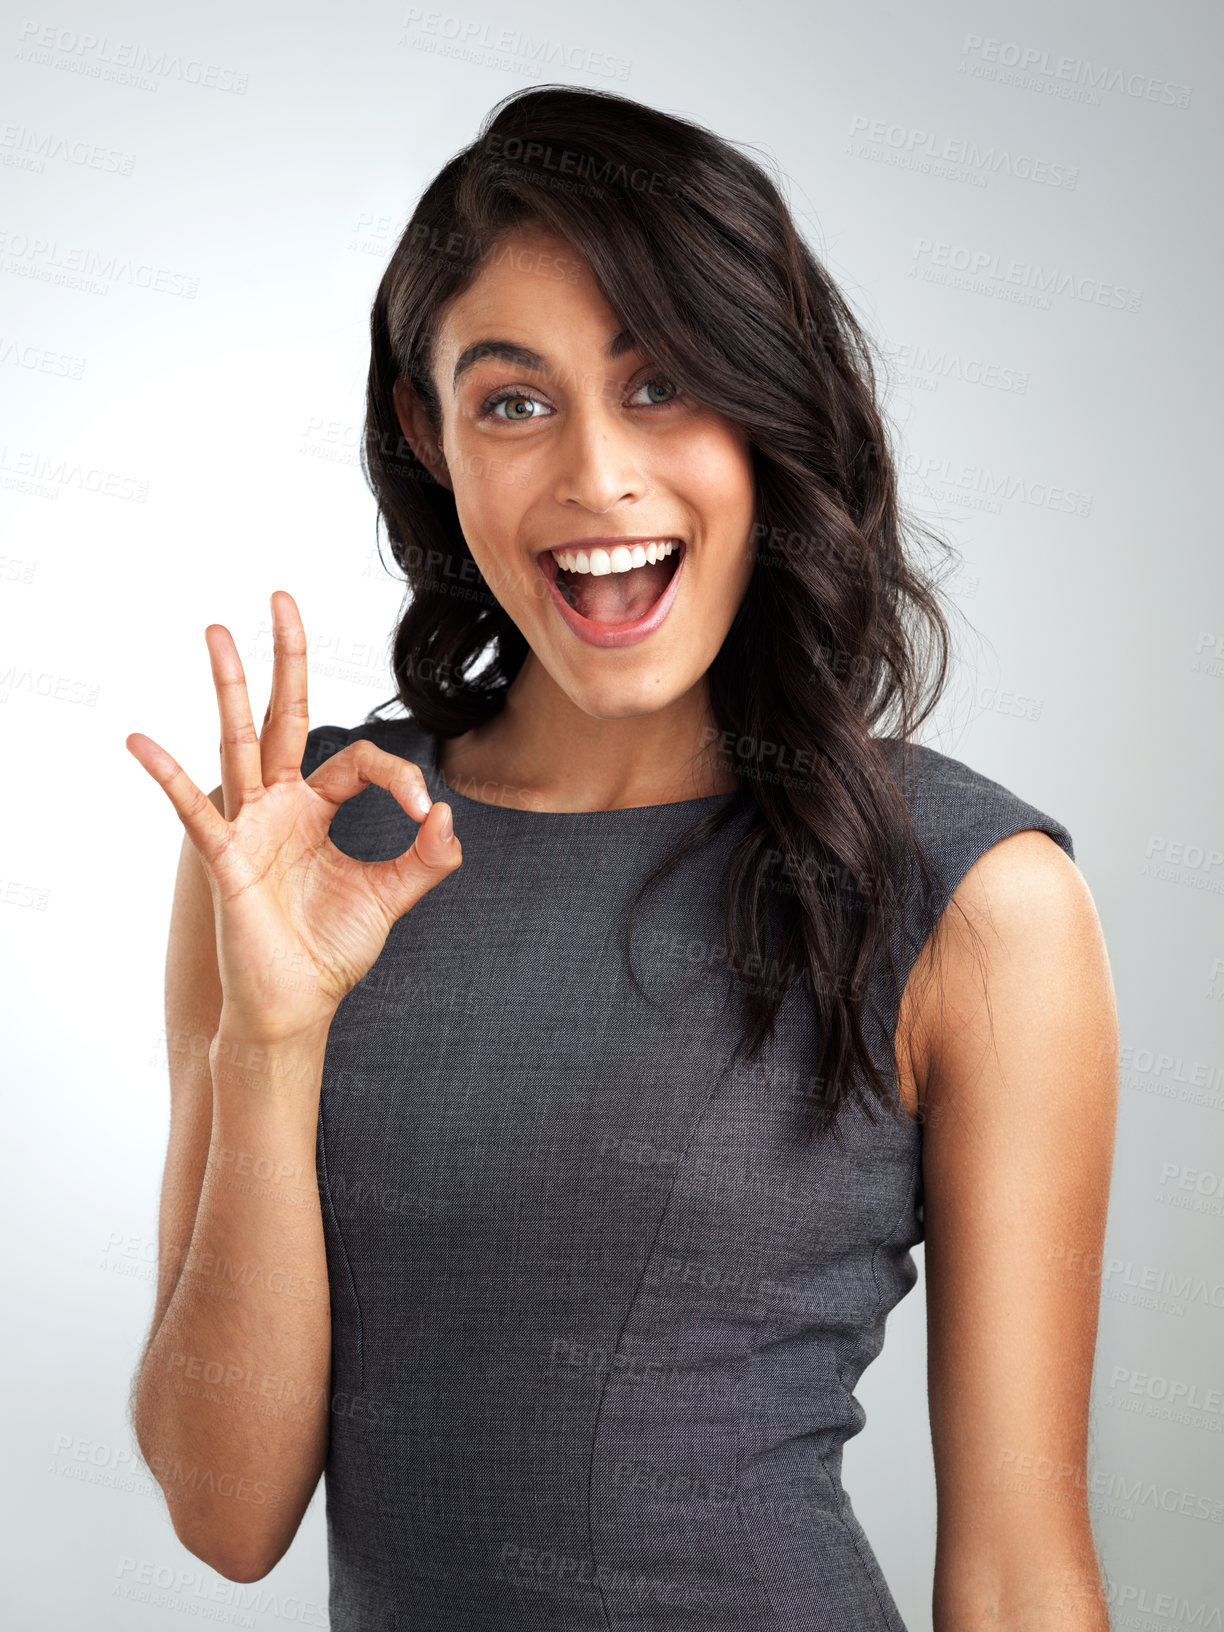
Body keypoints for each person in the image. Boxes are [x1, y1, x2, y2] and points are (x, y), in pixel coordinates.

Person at [126, 86, 1119, 1631]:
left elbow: (1018, 1569)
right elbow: (224, 1511)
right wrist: (274, 1037)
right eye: (515, 402)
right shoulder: (296, 843)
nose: (597, 477)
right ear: (426, 428)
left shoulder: (974, 895)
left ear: (769, 412)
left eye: (664, 388)